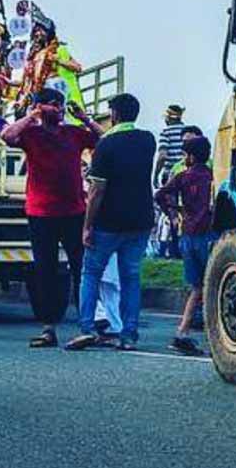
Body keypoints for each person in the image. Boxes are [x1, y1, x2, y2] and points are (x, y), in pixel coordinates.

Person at [1, 86, 103, 348]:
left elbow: (105, 141)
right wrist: (32, 115)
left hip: (74, 211)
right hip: (41, 212)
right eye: (52, 104)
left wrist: (85, 119)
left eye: (60, 104)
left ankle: (86, 325)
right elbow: (7, 136)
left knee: (82, 268)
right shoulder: (31, 134)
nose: (58, 108)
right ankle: (48, 328)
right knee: (44, 270)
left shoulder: (73, 133)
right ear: (39, 107)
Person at [67, 92, 156, 352]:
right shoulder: (147, 140)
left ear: (114, 115)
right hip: (141, 219)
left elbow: (96, 191)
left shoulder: (106, 146)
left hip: (108, 221)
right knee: (131, 277)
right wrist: (86, 120)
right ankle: (128, 335)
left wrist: (86, 225)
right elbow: (113, 139)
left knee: (91, 274)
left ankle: (87, 328)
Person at [154, 134, 215, 355]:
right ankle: (214, 337)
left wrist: (174, 213)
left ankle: (182, 331)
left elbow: (160, 195)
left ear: (189, 156)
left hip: (187, 234)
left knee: (196, 287)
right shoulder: (212, 176)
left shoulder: (182, 177)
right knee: (211, 287)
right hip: (208, 235)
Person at [154, 104, 187, 187]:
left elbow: (162, 156)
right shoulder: (188, 131)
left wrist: (156, 175)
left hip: (170, 177)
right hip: (187, 175)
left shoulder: (166, 132)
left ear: (169, 118)